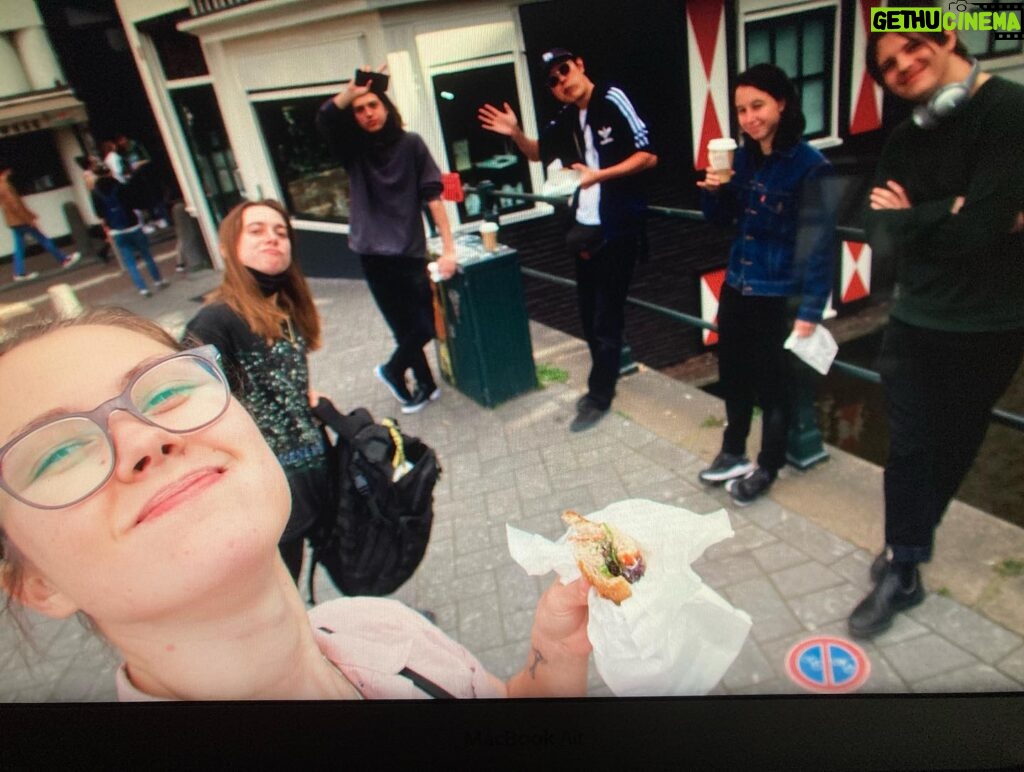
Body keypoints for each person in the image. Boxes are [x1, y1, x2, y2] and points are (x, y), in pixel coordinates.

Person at [0, 307, 592, 700]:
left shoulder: (382, 627)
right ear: (36, 584)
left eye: (169, 388)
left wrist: (551, 664)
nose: (144, 435)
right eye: (56, 454)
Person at [847, 27, 1024, 639]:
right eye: (889, 66)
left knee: (954, 448)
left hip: (990, 325)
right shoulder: (905, 137)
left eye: (911, 50)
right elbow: (879, 234)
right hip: (914, 318)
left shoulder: (1009, 111)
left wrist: (922, 219)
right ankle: (905, 565)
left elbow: (977, 234)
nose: (903, 67)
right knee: (909, 448)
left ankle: (908, 545)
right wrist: (949, 210)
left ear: (946, 36)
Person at [478, 48, 657, 432]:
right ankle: (602, 381)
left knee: (606, 318)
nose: (562, 81)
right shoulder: (567, 117)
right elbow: (538, 153)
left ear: (580, 64)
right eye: (554, 81)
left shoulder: (611, 99)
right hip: (585, 227)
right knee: (587, 315)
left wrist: (599, 175)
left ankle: (600, 395)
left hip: (617, 228)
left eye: (565, 71)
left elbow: (648, 155)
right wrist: (515, 133)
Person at [695, 64, 835, 506]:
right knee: (733, 375)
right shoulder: (744, 157)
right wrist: (715, 189)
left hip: (777, 294)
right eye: (741, 109)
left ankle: (768, 465)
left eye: (757, 105)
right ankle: (733, 451)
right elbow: (719, 222)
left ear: (782, 103)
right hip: (738, 284)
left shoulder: (812, 168)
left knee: (775, 388)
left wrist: (810, 313)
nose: (749, 117)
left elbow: (820, 246)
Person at [184, 200, 328, 583]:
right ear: (230, 245)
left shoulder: (285, 307)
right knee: (280, 586)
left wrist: (306, 397)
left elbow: (288, 377)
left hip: (311, 470)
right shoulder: (213, 324)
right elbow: (189, 421)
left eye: (281, 233)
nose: (273, 239)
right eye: (257, 230)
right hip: (267, 496)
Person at [316, 67, 457, 414]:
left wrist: (449, 249)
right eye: (359, 109)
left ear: (386, 107)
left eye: (373, 105)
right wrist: (352, 90)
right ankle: (423, 384)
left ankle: (393, 370)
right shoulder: (353, 150)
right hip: (372, 253)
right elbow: (324, 118)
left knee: (426, 323)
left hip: (409, 251)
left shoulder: (411, 145)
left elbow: (433, 196)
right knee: (403, 327)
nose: (367, 113)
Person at [90, 163, 166, 297]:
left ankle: (143, 289)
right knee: (147, 255)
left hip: (116, 231)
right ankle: (158, 281)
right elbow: (134, 202)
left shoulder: (95, 193)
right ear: (110, 172)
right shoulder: (120, 186)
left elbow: (99, 214)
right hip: (133, 226)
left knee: (130, 262)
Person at [0, 166, 80, 281]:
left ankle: (19, 272)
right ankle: (64, 259)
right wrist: (29, 219)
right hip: (21, 220)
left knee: (19, 247)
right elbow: (15, 205)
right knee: (43, 239)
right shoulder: (5, 186)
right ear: (5, 171)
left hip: (13, 222)